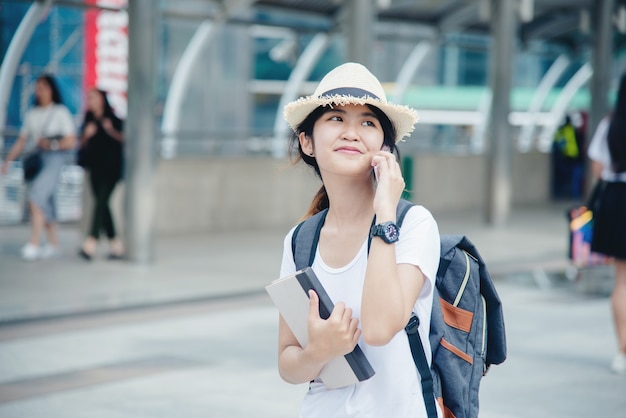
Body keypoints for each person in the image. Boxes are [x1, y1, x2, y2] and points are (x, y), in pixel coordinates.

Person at [277, 62, 442, 417]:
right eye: (336, 119)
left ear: (383, 145)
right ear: (307, 141)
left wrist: (385, 213)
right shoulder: (300, 240)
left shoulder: (412, 225)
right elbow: (288, 364)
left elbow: (381, 328)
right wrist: (318, 351)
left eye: (368, 122)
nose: (352, 132)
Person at [1, 74, 76, 260]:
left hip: (54, 159)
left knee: (36, 197)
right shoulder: (32, 114)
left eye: (43, 87)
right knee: (46, 202)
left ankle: (34, 243)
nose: (39, 92)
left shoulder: (60, 112)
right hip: (38, 160)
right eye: (37, 88)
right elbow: (22, 140)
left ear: (51, 90)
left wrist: (51, 145)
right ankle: (53, 243)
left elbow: (71, 140)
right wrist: (8, 161)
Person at [587, 72, 626, 375]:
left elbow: (599, 168)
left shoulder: (610, 125)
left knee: (621, 282)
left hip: (616, 203)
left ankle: (622, 351)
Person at [77, 88, 124, 260]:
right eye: (89, 98)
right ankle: (116, 245)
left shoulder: (114, 119)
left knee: (100, 204)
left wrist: (111, 130)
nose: (91, 101)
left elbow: (126, 140)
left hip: (111, 169)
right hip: (94, 168)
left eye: (94, 98)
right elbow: (80, 144)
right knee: (102, 205)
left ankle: (91, 241)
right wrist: (86, 135)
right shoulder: (88, 119)